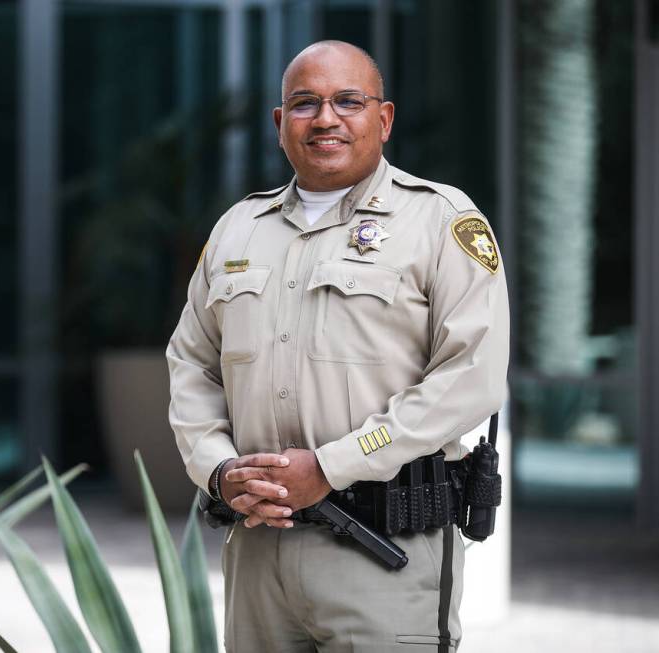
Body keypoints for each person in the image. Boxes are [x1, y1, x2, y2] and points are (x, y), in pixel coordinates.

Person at [166, 40, 509, 652]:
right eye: (304, 104)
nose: (325, 118)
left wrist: (331, 467)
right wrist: (219, 470)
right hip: (258, 555)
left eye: (348, 101)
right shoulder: (238, 229)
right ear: (280, 125)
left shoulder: (440, 221)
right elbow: (192, 364)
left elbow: (469, 378)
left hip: (384, 555)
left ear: (384, 119)